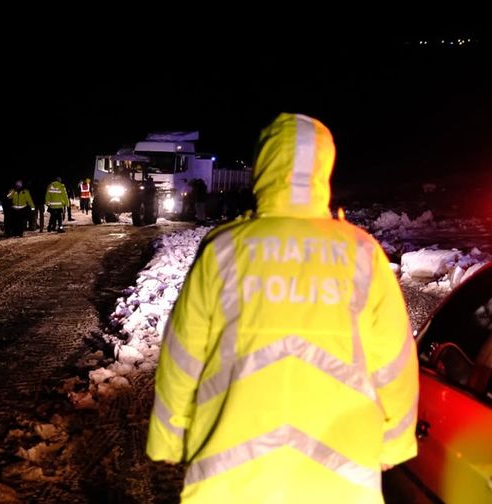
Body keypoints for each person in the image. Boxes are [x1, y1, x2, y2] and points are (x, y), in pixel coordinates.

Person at [146, 113, 418, 503]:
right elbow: (395, 359)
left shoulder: (224, 249)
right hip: (338, 477)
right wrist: (394, 441)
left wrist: (170, 437)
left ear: (263, 167)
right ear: (325, 167)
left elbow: (183, 353)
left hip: (230, 476)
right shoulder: (361, 253)